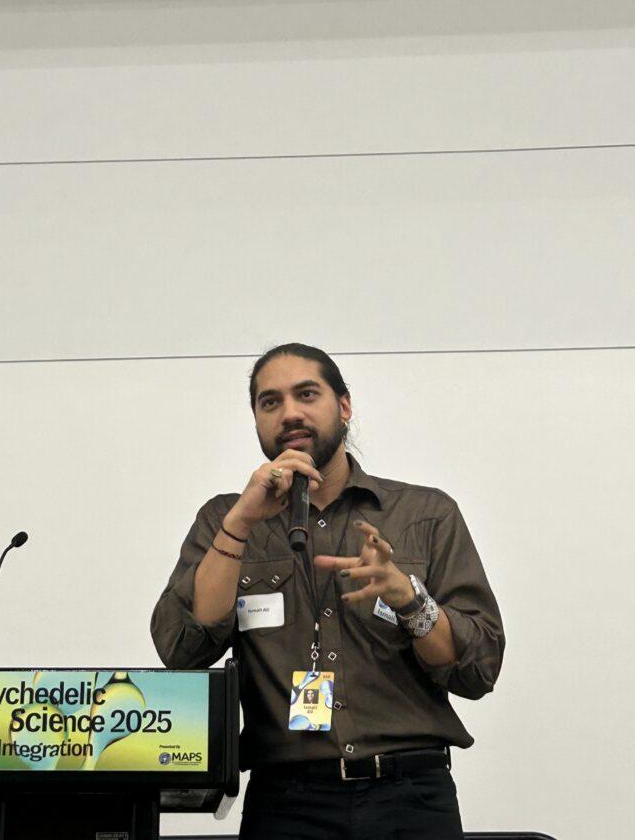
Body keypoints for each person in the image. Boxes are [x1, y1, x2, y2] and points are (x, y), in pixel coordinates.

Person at [150, 343, 505, 840]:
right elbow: (181, 650)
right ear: (256, 420)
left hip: (410, 796)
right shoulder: (225, 520)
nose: (289, 413)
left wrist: (410, 599)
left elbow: (479, 668)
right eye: (270, 402)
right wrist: (240, 523)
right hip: (286, 803)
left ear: (344, 406)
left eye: (307, 394)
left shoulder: (424, 515)